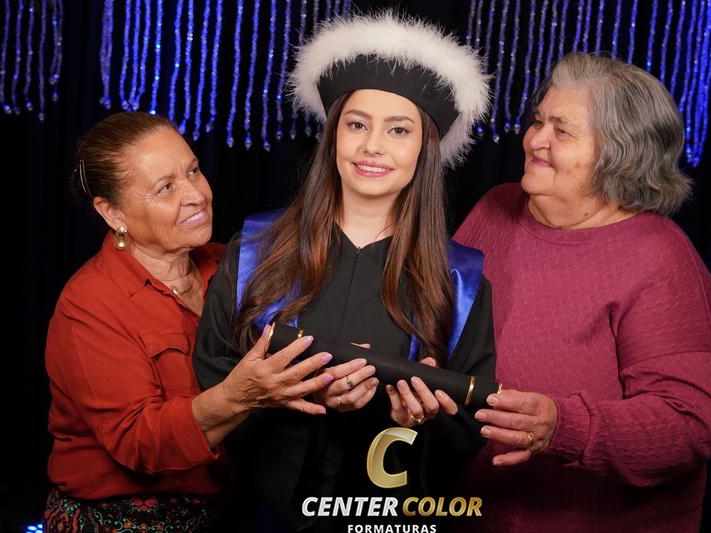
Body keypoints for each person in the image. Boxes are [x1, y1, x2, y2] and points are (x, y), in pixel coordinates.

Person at [193, 13, 495, 532]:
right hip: (262, 516)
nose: (372, 145)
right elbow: (210, 376)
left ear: (424, 149)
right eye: (357, 124)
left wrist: (414, 422)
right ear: (333, 135)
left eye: (398, 130)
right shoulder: (255, 251)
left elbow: (468, 425)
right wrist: (292, 395)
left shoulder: (459, 280)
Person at [453, 52, 711, 532]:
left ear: (619, 155)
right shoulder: (495, 207)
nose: (534, 139)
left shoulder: (661, 260)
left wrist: (561, 428)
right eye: (538, 121)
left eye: (561, 131)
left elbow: (690, 425)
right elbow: (442, 320)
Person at [43, 112, 335, 532]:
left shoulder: (233, 264)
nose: (196, 195)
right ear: (113, 212)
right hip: (122, 518)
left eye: (193, 171)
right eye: (166, 187)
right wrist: (237, 396)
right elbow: (139, 443)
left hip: (233, 511)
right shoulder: (89, 304)